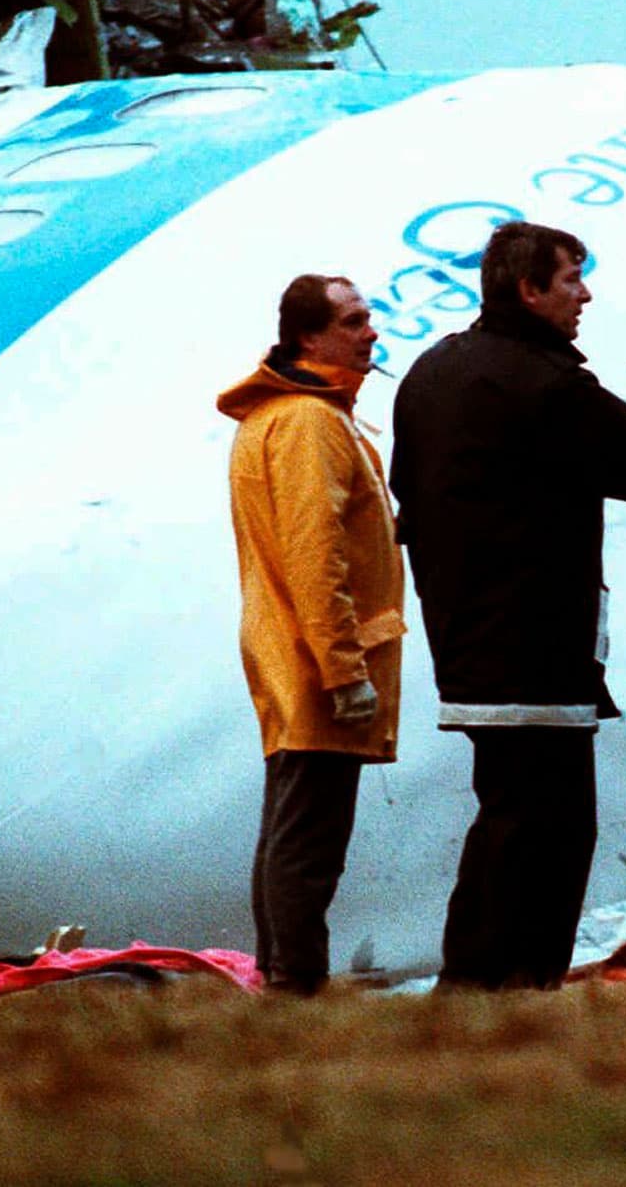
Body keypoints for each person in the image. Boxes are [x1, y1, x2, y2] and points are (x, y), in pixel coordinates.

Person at [391, 221, 626, 990]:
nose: (585, 294)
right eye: (571, 279)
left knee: (506, 820)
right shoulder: (546, 383)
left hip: (466, 647)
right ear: (528, 289)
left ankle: (478, 988)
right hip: (537, 650)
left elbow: (409, 497)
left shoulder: (428, 376)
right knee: (550, 831)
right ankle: (513, 989)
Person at [217, 274, 406, 994]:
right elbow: (313, 549)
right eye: (354, 321)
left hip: (294, 655)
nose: (371, 333)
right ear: (309, 337)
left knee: (292, 829)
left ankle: (281, 976)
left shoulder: (277, 417)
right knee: (309, 840)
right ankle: (295, 985)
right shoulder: (310, 422)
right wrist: (343, 668)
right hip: (317, 665)